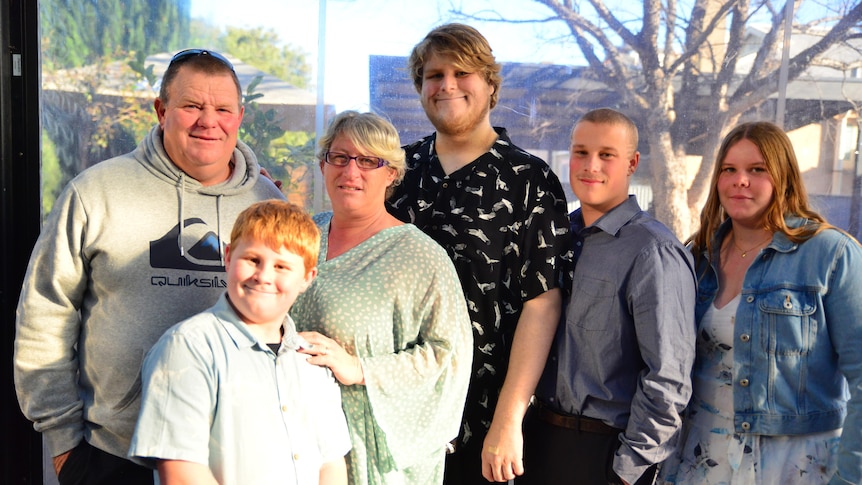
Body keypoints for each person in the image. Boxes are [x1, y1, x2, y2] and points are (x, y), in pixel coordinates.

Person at [13, 48, 284, 485]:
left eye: (223, 109)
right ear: (162, 110)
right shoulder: (98, 191)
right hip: (115, 455)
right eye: (192, 106)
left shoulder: (266, 203)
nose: (208, 121)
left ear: (240, 116)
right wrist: (64, 443)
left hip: (233, 457)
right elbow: (45, 312)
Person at [386, 23, 572, 484]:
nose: (446, 84)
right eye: (434, 75)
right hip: (393, 412)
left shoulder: (530, 180)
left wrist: (509, 421)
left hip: (483, 423)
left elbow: (542, 304)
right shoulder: (394, 173)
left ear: (490, 84)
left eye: (462, 72)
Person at [658, 121, 862, 485]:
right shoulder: (697, 258)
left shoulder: (831, 254)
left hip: (793, 465)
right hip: (697, 458)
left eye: (757, 170)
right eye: (729, 170)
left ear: (782, 178)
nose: (740, 181)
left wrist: (850, 477)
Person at [289, 110, 472, 485]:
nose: (350, 171)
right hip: (299, 444)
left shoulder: (419, 257)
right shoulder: (301, 237)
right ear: (324, 165)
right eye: (339, 157)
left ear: (391, 174)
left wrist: (361, 369)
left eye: (368, 161)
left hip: (372, 454)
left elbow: (449, 356)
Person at [517, 108, 696, 485]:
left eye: (606, 155)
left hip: (604, 452)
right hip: (539, 438)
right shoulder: (557, 237)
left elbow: (668, 377)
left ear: (632, 163)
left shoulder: (653, 251)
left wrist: (626, 471)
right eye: (581, 152)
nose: (590, 165)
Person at [128, 200, 350, 485]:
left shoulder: (312, 361)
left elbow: (330, 464)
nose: (264, 276)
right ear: (229, 257)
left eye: (282, 266)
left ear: (307, 278)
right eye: (253, 260)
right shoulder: (188, 348)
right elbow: (181, 472)